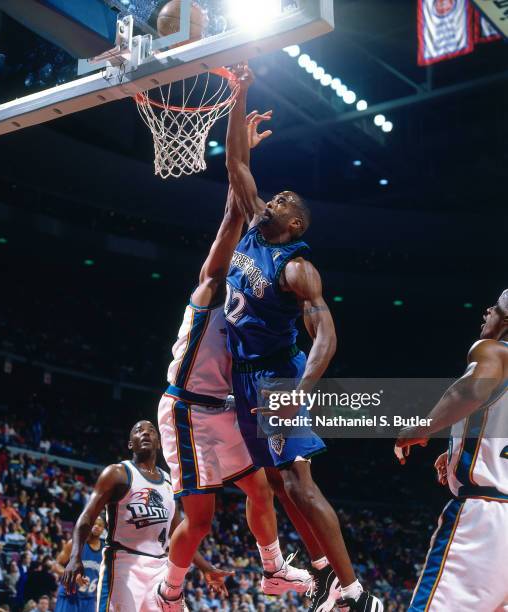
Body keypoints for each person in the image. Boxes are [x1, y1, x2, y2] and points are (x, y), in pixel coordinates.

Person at [225, 65, 383, 612]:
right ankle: (321, 574)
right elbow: (237, 165)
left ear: (296, 226)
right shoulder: (251, 224)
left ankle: (357, 593)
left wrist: (300, 391)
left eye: (287, 200)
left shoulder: (296, 268)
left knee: (298, 482)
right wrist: (239, 92)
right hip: (242, 377)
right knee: (274, 479)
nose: (278, 197)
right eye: (279, 194)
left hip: (275, 377)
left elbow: (326, 337)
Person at [156, 111, 313, 610]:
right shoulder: (210, 286)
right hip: (186, 410)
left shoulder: (260, 296)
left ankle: (273, 571)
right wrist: (237, 160)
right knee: (199, 520)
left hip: (221, 407)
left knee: (261, 488)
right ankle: (169, 592)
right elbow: (234, 217)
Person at [396, 289, 508, 611]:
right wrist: (460, 448)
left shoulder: (493, 351)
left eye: (496, 306)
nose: (487, 310)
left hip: (489, 520)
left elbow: (472, 390)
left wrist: (419, 429)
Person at [62, 421, 231, 612]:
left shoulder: (169, 481)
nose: (145, 433)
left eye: (151, 431)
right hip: (123, 565)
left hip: (160, 568)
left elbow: (177, 536)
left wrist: (206, 567)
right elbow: (87, 517)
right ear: (130, 444)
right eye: (138, 430)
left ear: (159, 443)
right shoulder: (117, 473)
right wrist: (75, 556)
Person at [54, 517, 104, 612]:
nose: (97, 526)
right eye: (94, 523)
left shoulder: (105, 551)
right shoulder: (74, 544)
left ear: (103, 529)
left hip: (89, 599)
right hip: (69, 596)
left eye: (100, 525)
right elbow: (56, 566)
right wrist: (72, 576)